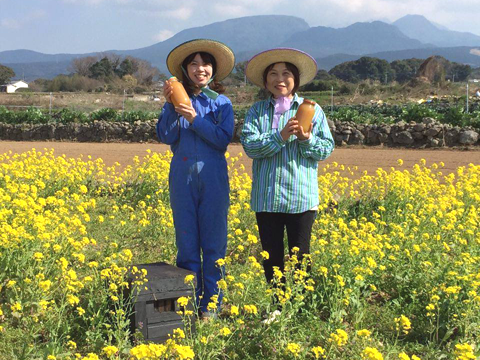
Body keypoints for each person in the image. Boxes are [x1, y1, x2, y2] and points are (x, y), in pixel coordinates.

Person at [240, 48, 334, 308]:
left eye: (286, 74)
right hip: (267, 198)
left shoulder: (313, 111)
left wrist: (306, 139)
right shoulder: (257, 111)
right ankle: (278, 306)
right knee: (272, 257)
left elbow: (325, 150)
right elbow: (251, 147)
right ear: (265, 80)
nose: (279, 79)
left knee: (301, 255)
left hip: (300, 197)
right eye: (273, 74)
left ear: (296, 79)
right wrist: (280, 136)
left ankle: (301, 308)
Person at [156, 39, 235, 318]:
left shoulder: (222, 103)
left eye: (206, 63)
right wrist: (170, 106)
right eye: (194, 63)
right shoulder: (176, 100)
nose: (200, 68)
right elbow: (166, 136)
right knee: (187, 243)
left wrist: (194, 118)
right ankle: (188, 304)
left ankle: (211, 306)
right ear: (185, 69)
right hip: (182, 178)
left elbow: (221, 140)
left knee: (214, 245)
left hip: (213, 178)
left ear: (213, 70)